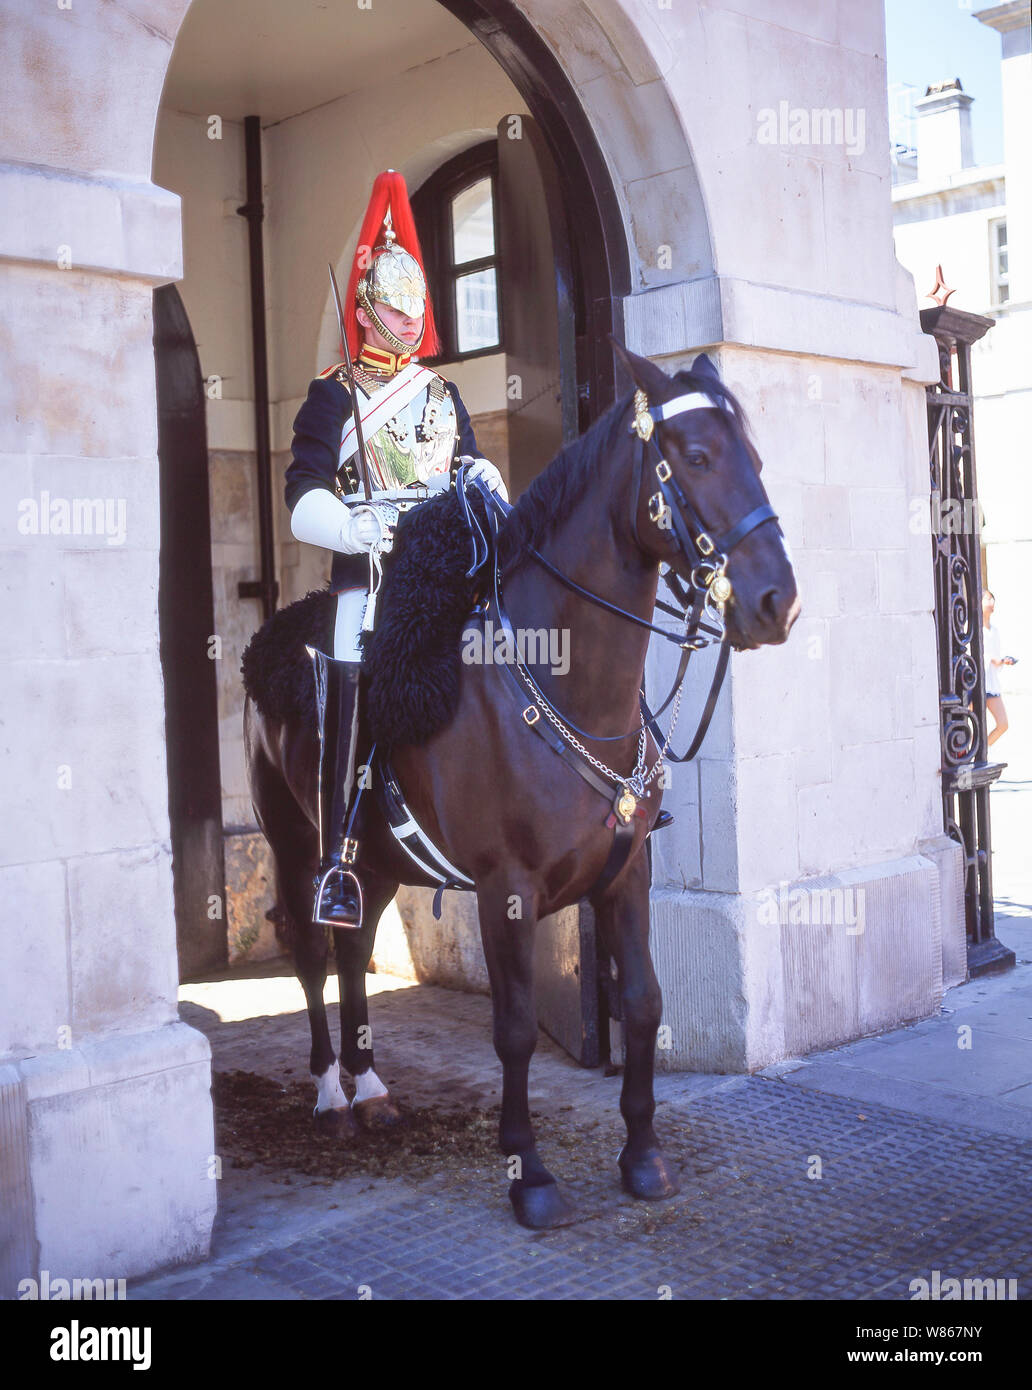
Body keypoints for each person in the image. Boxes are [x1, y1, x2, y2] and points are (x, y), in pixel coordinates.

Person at [285, 170, 506, 928]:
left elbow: (460, 464)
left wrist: (480, 473)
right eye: (393, 311)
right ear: (367, 311)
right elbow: (300, 495)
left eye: (415, 312)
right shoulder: (331, 393)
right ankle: (338, 856)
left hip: (445, 567)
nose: (407, 325)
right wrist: (350, 526)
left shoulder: (442, 397)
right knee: (347, 663)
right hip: (371, 576)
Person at [982, 589, 1016, 749]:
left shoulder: (994, 630)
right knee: (973, 724)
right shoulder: (972, 627)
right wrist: (993, 659)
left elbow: (997, 655)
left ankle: (981, 752)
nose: (991, 603)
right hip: (976, 683)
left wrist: (1003, 660)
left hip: (992, 682)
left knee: (1003, 724)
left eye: (992, 599)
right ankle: (966, 759)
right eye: (988, 599)